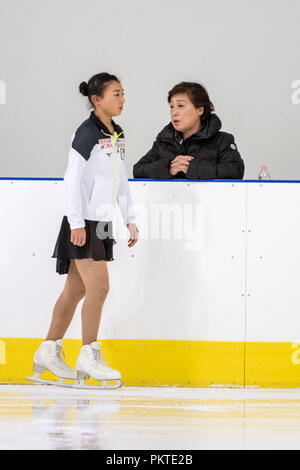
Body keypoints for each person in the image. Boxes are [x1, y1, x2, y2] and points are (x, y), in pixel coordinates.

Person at [28, 73, 139, 389]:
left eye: (122, 93)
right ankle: (89, 354)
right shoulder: (86, 133)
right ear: (97, 99)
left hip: (102, 223)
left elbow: (121, 180)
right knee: (100, 288)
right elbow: (72, 179)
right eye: (116, 94)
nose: (122, 99)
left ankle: (48, 349)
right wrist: (76, 222)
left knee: (76, 290)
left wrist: (129, 218)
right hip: (84, 223)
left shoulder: (117, 133)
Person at [133, 81, 245, 180]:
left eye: (180, 105)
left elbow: (235, 171)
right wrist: (169, 168)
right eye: (172, 106)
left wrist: (192, 168)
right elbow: (138, 170)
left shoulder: (221, 140)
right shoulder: (164, 141)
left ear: (200, 109)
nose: (174, 112)